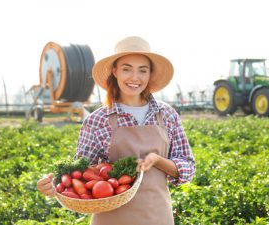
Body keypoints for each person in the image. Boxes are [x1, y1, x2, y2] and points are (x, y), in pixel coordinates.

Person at [37, 36, 195, 225]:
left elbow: (188, 168)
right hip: (110, 218)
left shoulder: (167, 115)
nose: (135, 77)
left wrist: (158, 161)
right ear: (115, 71)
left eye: (142, 70)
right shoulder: (98, 120)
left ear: (150, 74)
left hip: (157, 216)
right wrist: (53, 184)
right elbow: (78, 172)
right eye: (126, 69)